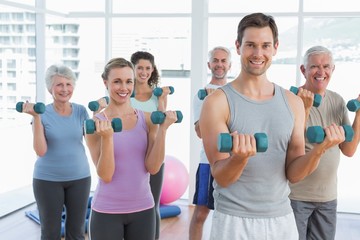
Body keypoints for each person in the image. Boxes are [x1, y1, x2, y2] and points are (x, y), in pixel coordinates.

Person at [199, 12, 346, 240]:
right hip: (233, 220)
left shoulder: (293, 102)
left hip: (282, 218)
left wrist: (320, 149)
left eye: (265, 45)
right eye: (250, 45)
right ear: (238, 47)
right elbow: (222, 177)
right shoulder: (217, 102)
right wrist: (239, 158)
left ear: (275, 48)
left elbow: (293, 173)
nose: (258, 54)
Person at [85, 57, 177, 240]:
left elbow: (153, 167)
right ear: (106, 82)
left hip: (143, 210)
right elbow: (106, 175)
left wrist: (163, 130)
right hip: (106, 211)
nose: (124, 88)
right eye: (117, 81)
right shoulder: (95, 126)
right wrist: (108, 137)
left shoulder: (149, 119)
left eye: (129, 81)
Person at [289, 46, 360, 240]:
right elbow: (291, 145)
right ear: (303, 70)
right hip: (295, 196)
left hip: (327, 197)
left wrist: (359, 114)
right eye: (314, 67)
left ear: (333, 69)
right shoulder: (291, 100)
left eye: (326, 66)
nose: (321, 72)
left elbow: (349, 149)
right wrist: (304, 109)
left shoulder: (337, 101)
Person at [21, 64, 91, 239]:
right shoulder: (42, 113)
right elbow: (40, 151)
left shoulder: (81, 111)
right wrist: (36, 118)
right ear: (50, 88)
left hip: (80, 178)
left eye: (69, 84)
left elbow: (93, 143)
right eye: (59, 84)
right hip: (47, 180)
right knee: (50, 233)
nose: (65, 89)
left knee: (76, 233)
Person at [189, 46, 231, 240]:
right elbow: (199, 132)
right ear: (209, 64)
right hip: (208, 162)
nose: (219, 64)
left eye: (223, 61)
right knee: (201, 213)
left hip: (232, 162)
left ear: (230, 65)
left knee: (229, 216)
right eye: (216, 60)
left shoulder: (234, 93)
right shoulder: (202, 95)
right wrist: (209, 102)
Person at [130, 51, 172, 240]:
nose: (143, 72)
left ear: (152, 70)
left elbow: (162, 123)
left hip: (154, 155)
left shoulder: (157, 95)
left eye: (148, 68)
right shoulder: (124, 94)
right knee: (130, 204)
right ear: (132, 68)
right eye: (140, 68)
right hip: (130, 157)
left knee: (152, 204)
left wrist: (162, 101)